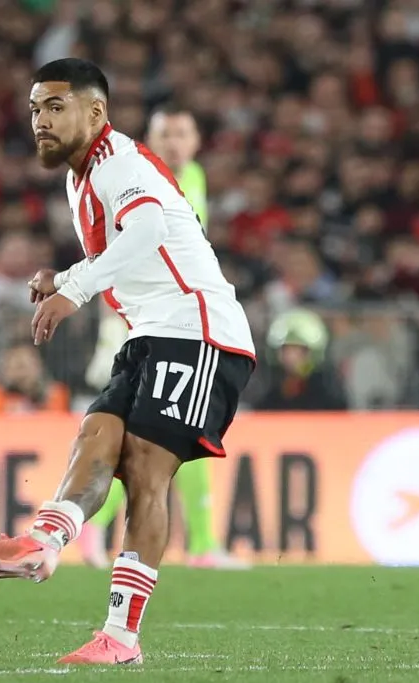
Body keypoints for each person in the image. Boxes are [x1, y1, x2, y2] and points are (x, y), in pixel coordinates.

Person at [0, 58, 256, 666]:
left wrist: (74, 291)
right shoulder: (79, 175)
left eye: (55, 107)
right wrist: (62, 276)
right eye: (35, 108)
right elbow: (134, 249)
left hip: (199, 330)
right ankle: (45, 540)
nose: (40, 119)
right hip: (151, 331)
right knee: (96, 433)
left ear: (96, 112)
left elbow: (144, 232)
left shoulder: (120, 162)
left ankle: (121, 638)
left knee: (146, 470)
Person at [78, 104, 250, 571]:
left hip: (175, 318)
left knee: (176, 435)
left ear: (195, 142)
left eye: (182, 133)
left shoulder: (193, 176)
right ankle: (94, 526)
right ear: (150, 141)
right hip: (140, 320)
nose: (174, 142)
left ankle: (200, 544)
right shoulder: (135, 178)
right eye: (165, 134)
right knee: (148, 438)